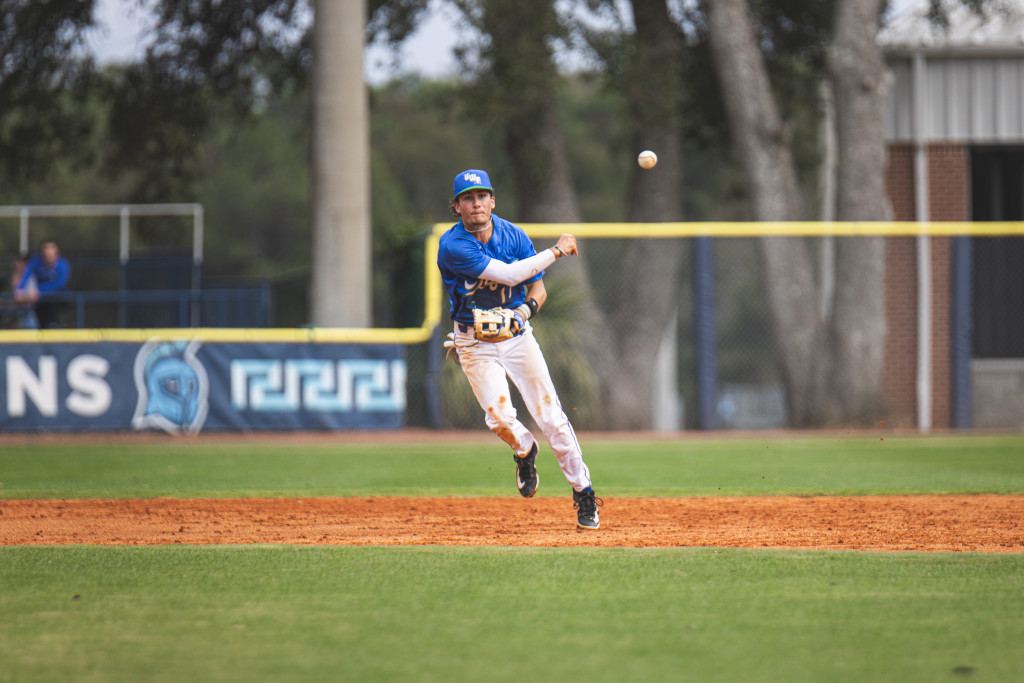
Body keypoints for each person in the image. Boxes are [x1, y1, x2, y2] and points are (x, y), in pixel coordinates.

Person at [437, 168, 602, 530]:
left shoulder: (514, 236)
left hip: (517, 338)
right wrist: (557, 250)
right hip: (474, 342)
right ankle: (525, 450)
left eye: (482, 196)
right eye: (468, 198)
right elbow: (511, 277)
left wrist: (523, 312)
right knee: (498, 418)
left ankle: (584, 493)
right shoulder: (454, 245)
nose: (476, 203)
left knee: (552, 417)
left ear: (493, 201)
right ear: (457, 207)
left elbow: (536, 290)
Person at [17, 239, 71, 328]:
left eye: (51, 248)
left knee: (51, 309)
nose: (48, 252)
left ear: (56, 251)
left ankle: (54, 325)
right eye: (46, 248)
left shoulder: (63, 265)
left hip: (57, 297)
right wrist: (19, 289)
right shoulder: (36, 261)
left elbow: (59, 284)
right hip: (40, 299)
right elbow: (26, 274)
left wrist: (39, 290)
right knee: (39, 319)